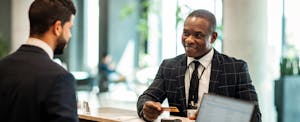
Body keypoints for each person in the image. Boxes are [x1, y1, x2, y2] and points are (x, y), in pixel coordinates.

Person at [137, 9, 261, 122]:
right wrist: (147, 108)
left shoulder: (235, 68)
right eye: (186, 33)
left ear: (213, 37)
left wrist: (214, 116)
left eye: (198, 35)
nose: (189, 40)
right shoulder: (169, 66)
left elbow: (254, 116)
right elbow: (146, 98)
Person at [0, 0, 77, 122]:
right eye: (69, 28)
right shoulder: (60, 78)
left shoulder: (2, 66)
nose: (70, 35)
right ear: (57, 28)